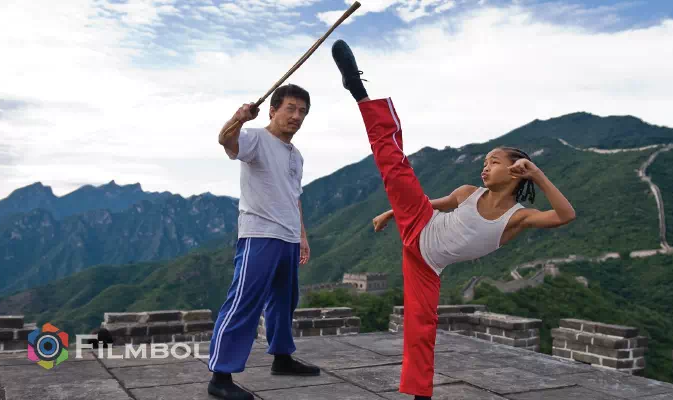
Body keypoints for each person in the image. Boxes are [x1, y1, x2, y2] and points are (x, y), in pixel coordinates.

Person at [331, 39, 577, 400]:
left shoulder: (518, 217)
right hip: (420, 222)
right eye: (485, 161)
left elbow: (566, 215)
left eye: (494, 162)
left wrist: (538, 175)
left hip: (428, 265)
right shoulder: (467, 192)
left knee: (422, 328)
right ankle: (359, 91)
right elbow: (428, 204)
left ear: (516, 171)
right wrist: (391, 212)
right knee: (394, 165)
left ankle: (421, 395)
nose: (485, 166)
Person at [208, 84, 320, 400]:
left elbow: (294, 197)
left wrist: (302, 236)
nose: (296, 116)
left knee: (285, 302)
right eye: (290, 108)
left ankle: (282, 358)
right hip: (259, 233)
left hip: (288, 236)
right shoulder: (255, 138)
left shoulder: (296, 155)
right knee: (244, 301)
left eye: (302, 111)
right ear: (272, 110)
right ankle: (220, 375)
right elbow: (225, 140)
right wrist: (239, 118)